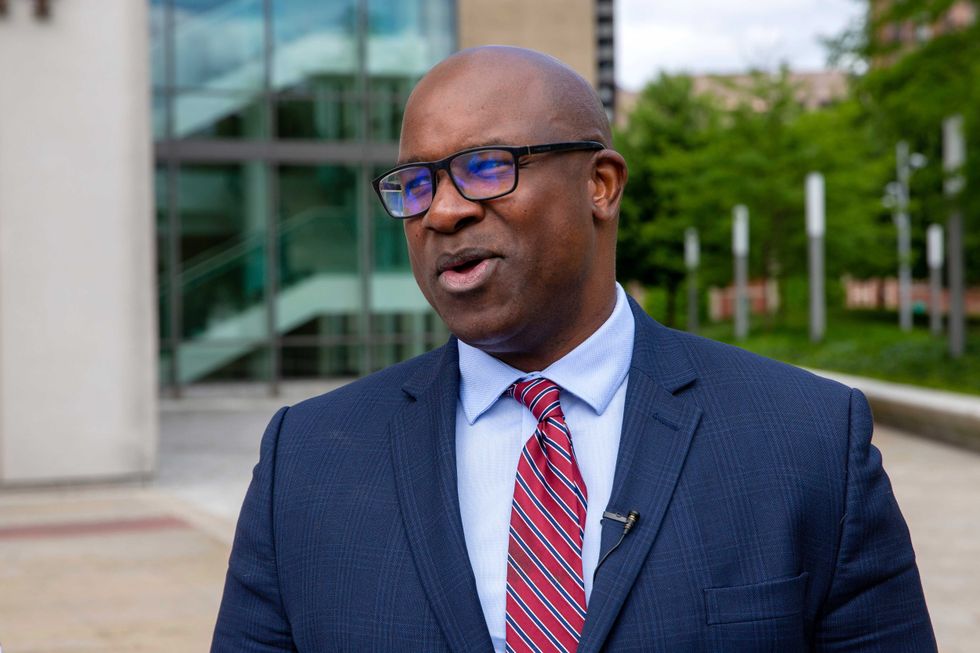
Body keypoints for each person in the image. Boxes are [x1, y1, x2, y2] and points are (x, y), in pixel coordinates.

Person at [211, 46, 936, 652]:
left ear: (601, 184)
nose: (444, 210)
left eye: (487, 166)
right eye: (417, 183)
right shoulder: (304, 462)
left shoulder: (807, 439)